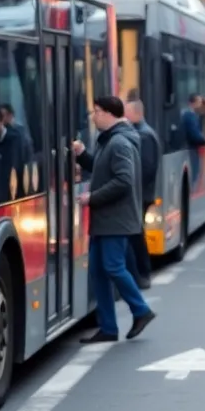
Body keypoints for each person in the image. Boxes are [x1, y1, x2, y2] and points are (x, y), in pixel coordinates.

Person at [73, 96, 156, 343]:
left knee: (113, 267)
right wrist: (82, 155)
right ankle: (108, 327)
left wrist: (92, 198)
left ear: (109, 113)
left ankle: (141, 310)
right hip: (106, 219)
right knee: (98, 272)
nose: (94, 116)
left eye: (97, 112)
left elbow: (123, 180)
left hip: (115, 220)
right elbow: (101, 168)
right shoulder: (108, 140)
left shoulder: (119, 142)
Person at [124, 98, 162, 289]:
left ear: (136, 113)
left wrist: (131, 188)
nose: (124, 115)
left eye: (127, 112)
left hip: (140, 194)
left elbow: (146, 168)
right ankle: (140, 272)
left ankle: (142, 272)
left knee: (136, 234)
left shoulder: (144, 136)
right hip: (140, 194)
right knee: (135, 233)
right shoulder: (141, 133)